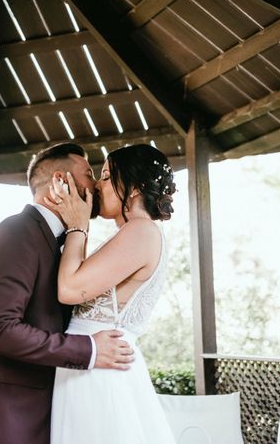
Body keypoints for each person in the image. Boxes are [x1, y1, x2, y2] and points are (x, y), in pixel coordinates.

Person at [0, 143, 134, 444]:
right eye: (88, 174)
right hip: (2, 421)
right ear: (60, 182)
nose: (96, 184)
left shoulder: (63, 239)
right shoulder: (17, 231)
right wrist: (89, 350)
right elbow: (2, 330)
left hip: (36, 417)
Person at [45, 144, 177, 444]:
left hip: (101, 373)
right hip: (91, 366)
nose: (97, 185)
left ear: (135, 188)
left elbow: (68, 290)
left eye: (105, 176)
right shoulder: (134, 233)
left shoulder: (141, 231)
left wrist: (77, 226)